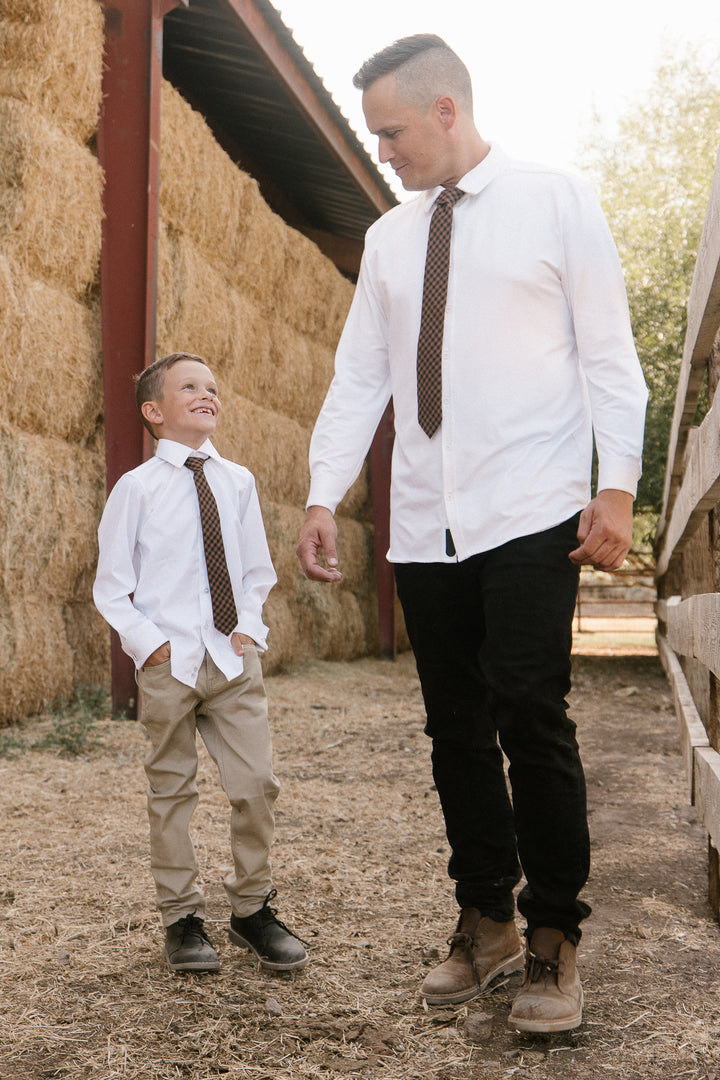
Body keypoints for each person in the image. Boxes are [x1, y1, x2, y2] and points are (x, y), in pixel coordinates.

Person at [296, 35, 647, 1032]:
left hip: (533, 508)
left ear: (446, 110)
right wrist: (325, 493)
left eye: (393, 132)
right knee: (454, 731)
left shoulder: (556, 199)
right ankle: (485, 920)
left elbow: (610, 354)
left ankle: (554, 941)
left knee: (531, 714)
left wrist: (614, 488)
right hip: (424, 521)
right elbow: (359, 376)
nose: (386, 151)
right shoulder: (393, 240)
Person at [94, 351, 308, 975]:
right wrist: (147, 643)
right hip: (169, 663)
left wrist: (248, 628)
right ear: (155, 411)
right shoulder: (136, 489)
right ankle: (182, 919)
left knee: (256, 785)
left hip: (231, 659)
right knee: (171, 789)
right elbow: (111, 585)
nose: (207, 393)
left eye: (213, 386)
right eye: (190, 386)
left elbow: (255, 570)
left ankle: (251, 909)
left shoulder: (237, 481)